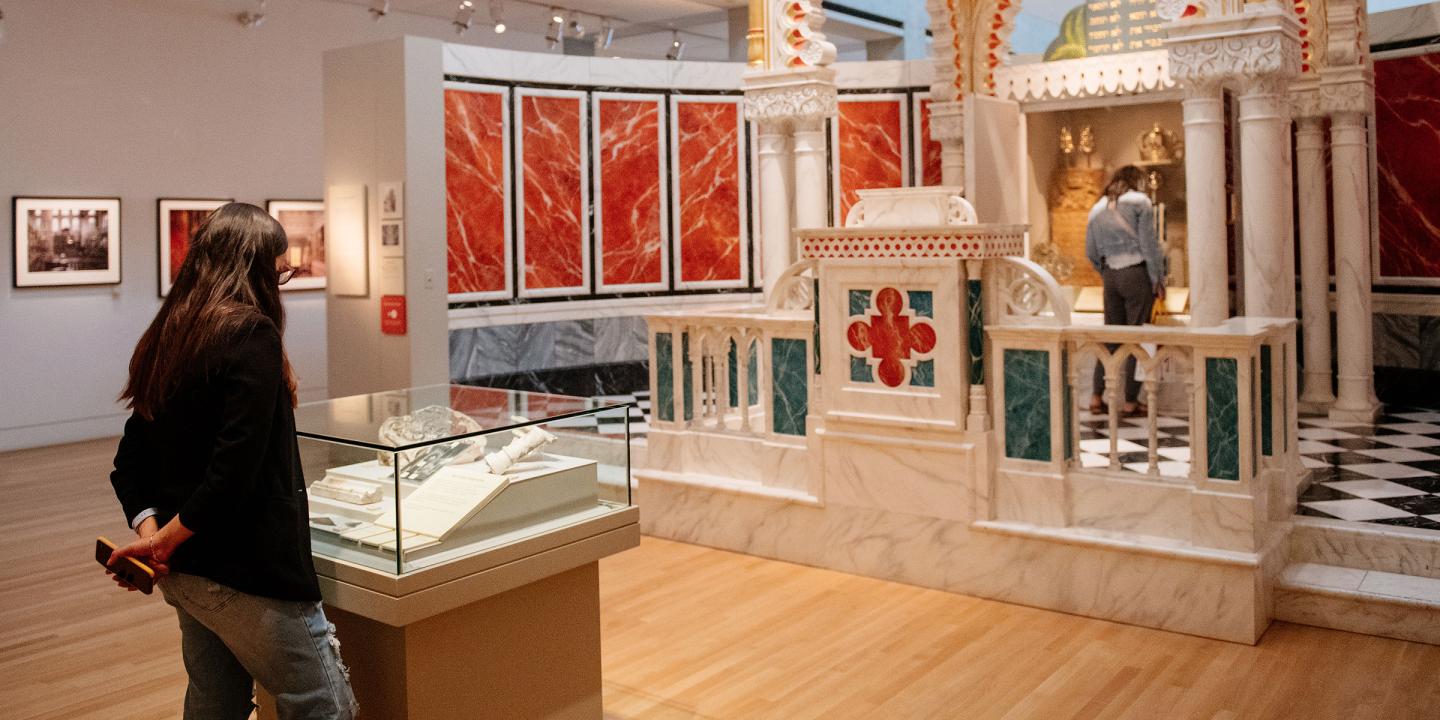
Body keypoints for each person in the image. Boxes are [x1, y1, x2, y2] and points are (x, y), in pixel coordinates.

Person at [105, 202, 357, 720]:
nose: (281, 282)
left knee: (213, 702)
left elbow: (129, 461)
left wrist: (157, 537)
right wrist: (162, 543)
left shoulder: (171, 333)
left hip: (185, 572)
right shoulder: (251, 335)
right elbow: (233, 473)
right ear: (252, 267)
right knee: (325, 705)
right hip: (248, 570)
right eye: (279, 270)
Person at [1084, 165, 1165, 416]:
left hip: (1110, 275)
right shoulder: (1140, 202)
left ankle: (1097, 396)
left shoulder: (1096, 208)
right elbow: (1149, 245)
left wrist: (1106, 271)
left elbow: (1090, 250)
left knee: (1110, 337)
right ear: (1136, 181)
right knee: (1135, 338)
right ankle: (1130, 400)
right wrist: (1157, 279)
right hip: (1136, 273)